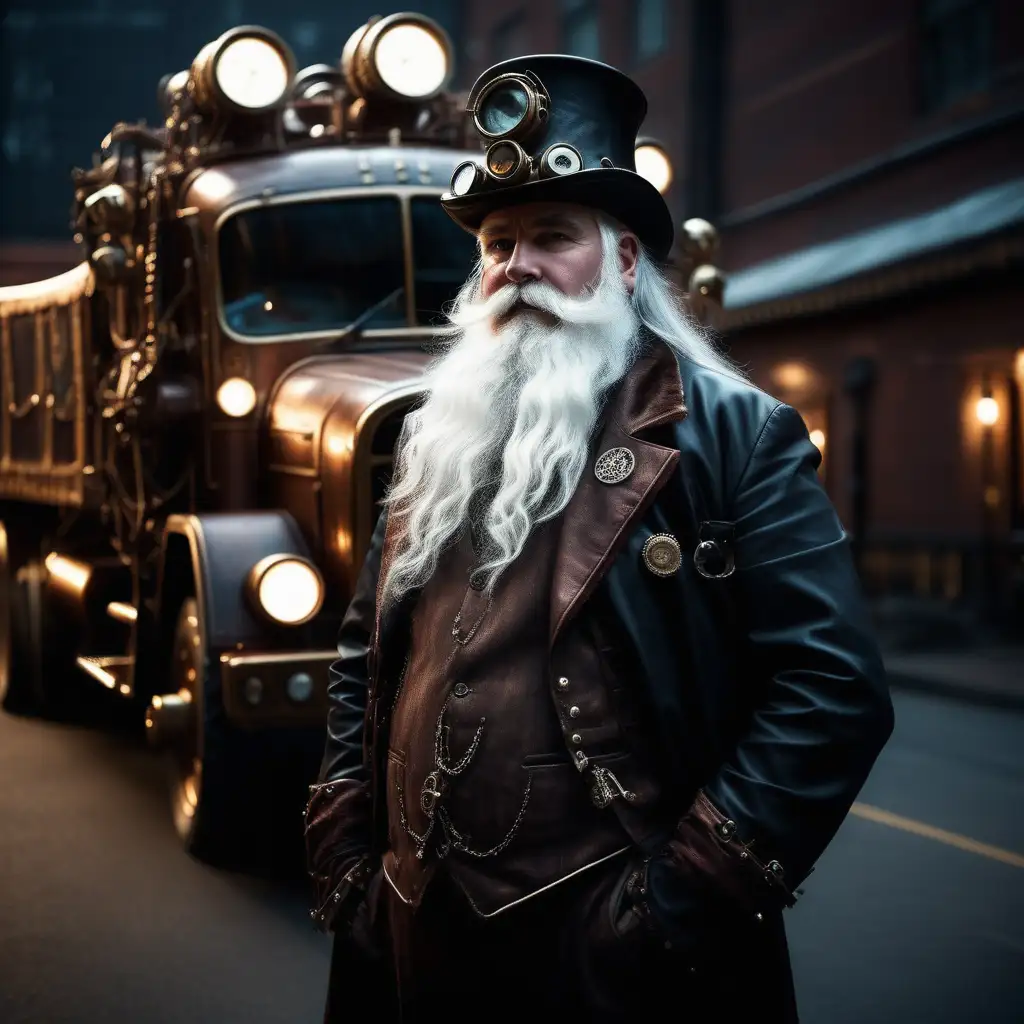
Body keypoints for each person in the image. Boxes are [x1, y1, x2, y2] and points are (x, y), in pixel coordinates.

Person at [305, 53, 894, 1024]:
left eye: (551, 235)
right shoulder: (432, 431)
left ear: (622, 259)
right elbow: (364, 656)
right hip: (414, 926)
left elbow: (832, 692)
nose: (517, 266)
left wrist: (679, 900)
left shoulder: (734, 433)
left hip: (614, 952)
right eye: (496, 241)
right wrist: (349, 861)